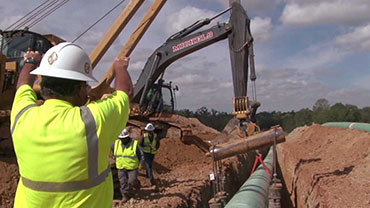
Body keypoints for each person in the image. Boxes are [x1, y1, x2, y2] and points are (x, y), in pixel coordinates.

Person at [10, 42, 133, 208]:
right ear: (79, 89)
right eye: (86, 86)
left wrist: (30, 61)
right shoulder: (93, 120)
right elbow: (125, 94)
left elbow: (22, 86)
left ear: (43, 83)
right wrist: (120, 67)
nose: (88, 90)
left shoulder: (22, 116)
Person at [111, 128, 144, 202]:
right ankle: (125, 196)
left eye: (124, 138)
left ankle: (136, 184)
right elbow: (113, 150)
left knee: (131, 181)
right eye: (121, 138)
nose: (122, 140)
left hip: (132, 167)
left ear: (127, 137)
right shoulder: (116, 143)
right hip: (121, 167)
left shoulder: (135, 144)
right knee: (123, 182)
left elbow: (141, 155)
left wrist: (141, 163)